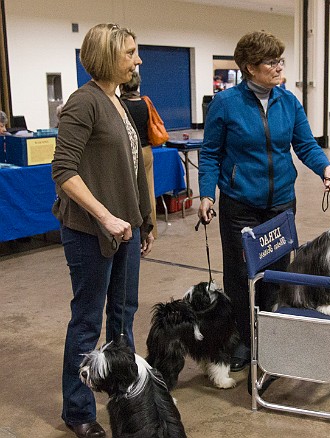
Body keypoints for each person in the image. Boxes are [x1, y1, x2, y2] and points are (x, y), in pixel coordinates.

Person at [198, 30, 330, 373]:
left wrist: (325, 167)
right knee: (241, 275)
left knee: (275, 274)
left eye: (280, 60)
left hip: (280, 205)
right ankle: (244, 340)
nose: (278, 67)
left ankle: (272, 334)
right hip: (239, 205)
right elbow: (211, 153)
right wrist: (205, 192)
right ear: (250, 67)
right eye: (271, 62)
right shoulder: (226, 103)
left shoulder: (288, 101)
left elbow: (304, 144)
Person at [51, 23, 153, 438]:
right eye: (130, 52)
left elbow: (131, 168)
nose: (138, 60)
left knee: (123, 315)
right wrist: (106, 217)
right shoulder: (84, 102)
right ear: (109, 56)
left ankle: (123, 391)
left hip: (125, 230)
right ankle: (78, 410)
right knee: (89, 321)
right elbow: (63, 171)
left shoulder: (119, 102)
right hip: (90, 232)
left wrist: (143, 218)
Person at [120, 71, 161, 238]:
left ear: (122, 85)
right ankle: (152, 230)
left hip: (129, 153)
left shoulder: (121, 105)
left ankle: (132, 230)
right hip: (146, 151)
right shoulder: (145, 103)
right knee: (149, 191)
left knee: (129, 192)